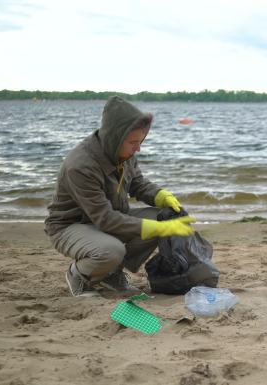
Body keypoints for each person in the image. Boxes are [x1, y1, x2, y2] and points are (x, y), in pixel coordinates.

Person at [45, 96, 196, 297]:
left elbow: (138, 184)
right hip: (69, 226)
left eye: (141, 141)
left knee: (164, 217)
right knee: (111, 250)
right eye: (133, 142)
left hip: (109, 218)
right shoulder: (81, 165)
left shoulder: (124, 153)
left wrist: (160, 196)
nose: (138, 148)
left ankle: (110, 274)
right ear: (115, 137)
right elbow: (105, 218)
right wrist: (156, 228)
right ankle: (79, 274)